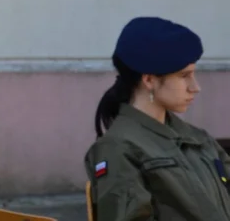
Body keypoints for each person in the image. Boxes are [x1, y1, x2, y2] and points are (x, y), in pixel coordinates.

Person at [84, 16, 230, 220]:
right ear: (149, 79)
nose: (195, 87)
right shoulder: (118, 149)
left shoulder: (199, 139)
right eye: (183, 76)